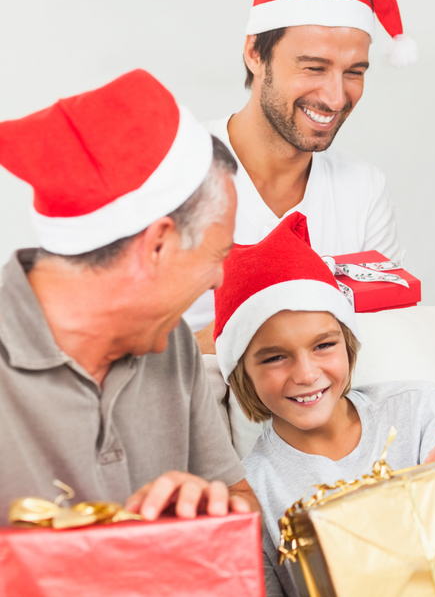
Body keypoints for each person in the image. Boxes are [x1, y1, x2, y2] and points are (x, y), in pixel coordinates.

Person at [0, 70, 256, 519]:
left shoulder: (171, 341)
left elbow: (242, 509)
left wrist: (207, 515)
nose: (219, 279)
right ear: (157, 244)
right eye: (218, 254)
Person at [213, 211, 435, 597]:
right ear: (242, 372)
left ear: (348, 345)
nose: (306, 373)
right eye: (275, 357)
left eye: (323, 345)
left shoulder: (419, 411)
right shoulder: (256, 490)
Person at [186, 0, 416, 335]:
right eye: (314, 67)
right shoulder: (176, 174)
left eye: (354, 71)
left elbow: (385, 335)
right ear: (255, 54)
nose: (335, 96)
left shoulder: (364, 189)